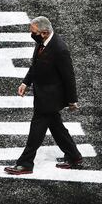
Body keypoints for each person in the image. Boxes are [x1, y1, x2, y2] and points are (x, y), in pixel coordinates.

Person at [5, 16, 83, 175]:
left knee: (36, 131)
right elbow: (36, 65)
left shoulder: (60, 49)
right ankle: (74, 156)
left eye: (34, 32)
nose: (31, 34)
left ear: (45, 32)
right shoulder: (42, 42)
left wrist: (72, 100)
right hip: (43, 95)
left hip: (50, 99)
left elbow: (69, 77)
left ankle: (25, 163)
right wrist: (25, 82)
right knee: (57, 128)